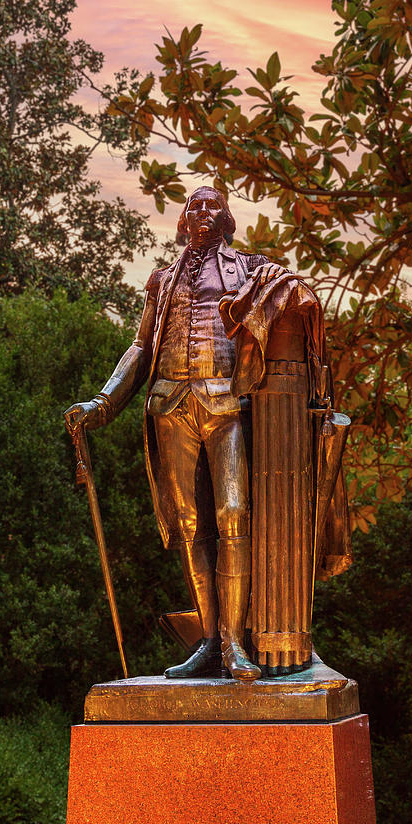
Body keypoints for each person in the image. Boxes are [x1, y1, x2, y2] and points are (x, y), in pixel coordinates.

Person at [64, 186, 284, 681]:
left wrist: (284, 286)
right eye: (194, 206)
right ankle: (209, 641)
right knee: (188, 524)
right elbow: (141, 347)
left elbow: (288, 304)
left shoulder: (251, 270)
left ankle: (235, 645)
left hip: (226, 401)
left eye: (212, 205)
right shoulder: (163, 281)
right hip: (170, 403)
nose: (202, 211)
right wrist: (103, 403)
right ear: (182, 221)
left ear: (228, 218)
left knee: (233, 513)